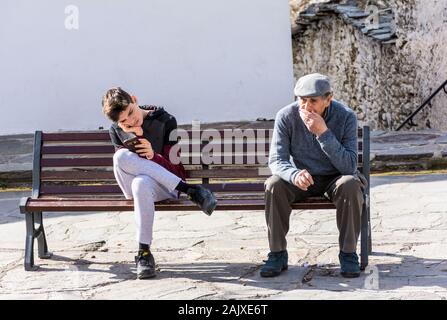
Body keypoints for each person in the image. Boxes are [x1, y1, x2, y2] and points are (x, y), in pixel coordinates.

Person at [101, 87, 217, 279]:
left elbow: (176, 170)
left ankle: (144, 254)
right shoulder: (116, 130)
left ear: (135, 100)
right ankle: (191, 190)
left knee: (141, 183)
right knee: (120, 156)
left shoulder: (165, 121)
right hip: (131, 185)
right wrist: (136, 136)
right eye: (123, 121)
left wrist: (154, 155)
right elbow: (128, 166)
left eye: (131, 112)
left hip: (163, 187)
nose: (130, 121)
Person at [261, 73, 367, 278]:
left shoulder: (346, 116)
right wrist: (293, 175)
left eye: (313, 101)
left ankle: (348, 254)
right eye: (302, 99)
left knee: (351, 184)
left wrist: (323, 133)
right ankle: (277, 253)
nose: (307, 106)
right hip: (302, 178)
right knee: (274, 184)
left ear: (328, 99)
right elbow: (276, 160)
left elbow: (349, 166)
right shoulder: (286, 116)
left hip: (335, 179)